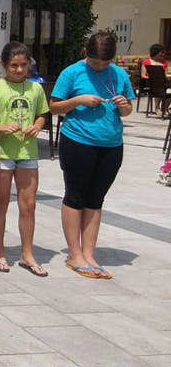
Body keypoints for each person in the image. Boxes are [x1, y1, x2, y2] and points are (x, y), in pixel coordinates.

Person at [50, 31, 134, 279]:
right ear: (86, 52)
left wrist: (124, 106)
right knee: (76, 196)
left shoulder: (119, 74)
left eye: (105, 63)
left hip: (111, 143)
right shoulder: (72, 72)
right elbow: (53, 107)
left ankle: (89, 253)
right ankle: (74, 254)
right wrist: (79, 100)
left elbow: (127, 110)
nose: (100, 67)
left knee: (96, 199)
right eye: (96, 62)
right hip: (78, 140)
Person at [0, 41, 49, 277]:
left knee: (29, 204)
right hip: (4, 153)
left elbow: (42, 114)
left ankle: (27, 253)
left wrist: (37, 125)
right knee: (1, 202)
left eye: (23, 65)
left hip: (27, 153)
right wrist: (1, 127)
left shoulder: (35, 88)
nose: (19, 70)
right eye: (14, 65)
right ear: (4, 64)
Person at [140, 43, 169, 117]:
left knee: (167, 88)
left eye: (164, 53)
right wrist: (153, 78)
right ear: (155, 52)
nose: (163, 54)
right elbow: (143, 75)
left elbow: (165, 76)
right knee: (159, 86)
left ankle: (164, 108)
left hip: (162, 83)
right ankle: (157, 108)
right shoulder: (146, 62)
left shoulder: (164, 63)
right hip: (150, 83)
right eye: (161, 53)